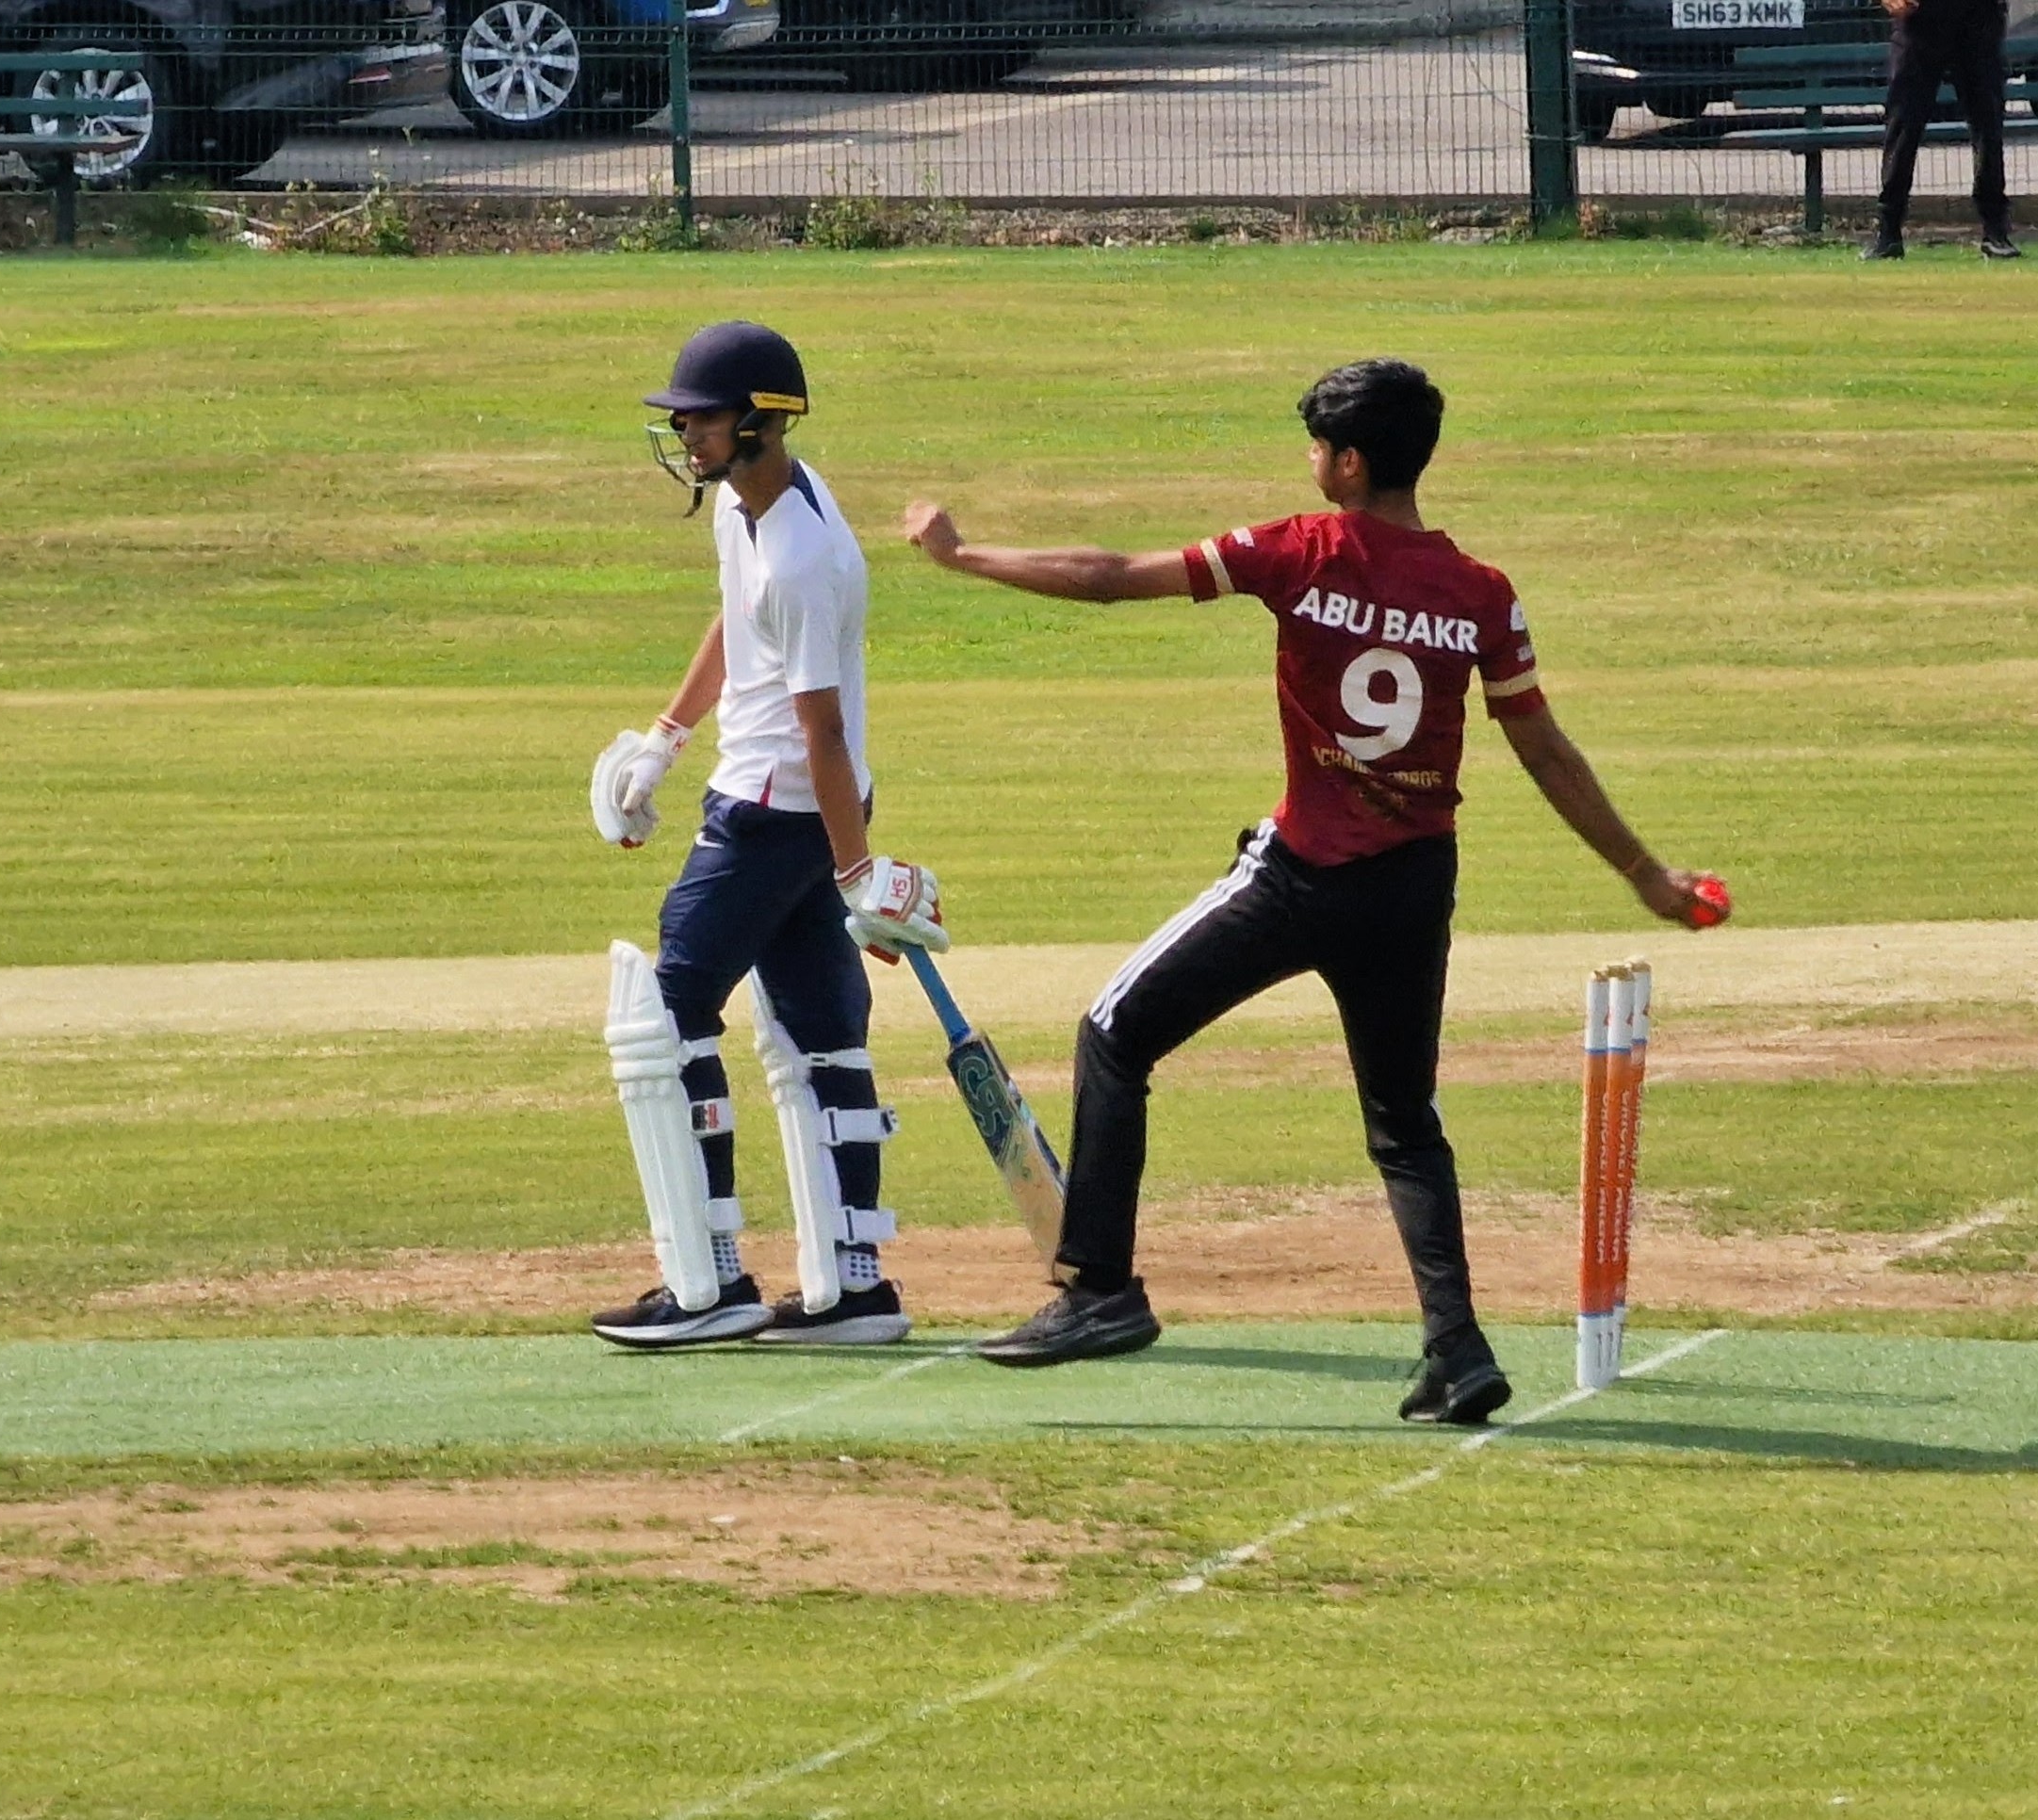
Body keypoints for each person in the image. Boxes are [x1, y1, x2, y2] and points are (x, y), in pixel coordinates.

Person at [902, 359, 1724, 1424]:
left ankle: (1099, 1290)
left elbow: (1109, 575)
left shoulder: (1298, 550)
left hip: (1299, 877)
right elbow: (1547, 754)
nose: (1310, 463)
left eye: (1318, 447)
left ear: (1349, 461)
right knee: (1404, 1122)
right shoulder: (1481, 594)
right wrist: (1646, 875)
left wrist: (964, 555)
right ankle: (1459, 1350)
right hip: (1414, 886)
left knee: (1114, 1032)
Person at [587, 320, 949, 1351]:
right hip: (798, 812)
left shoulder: (798, 554)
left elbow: (821, 728)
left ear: (756, 420)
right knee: (815, 1032)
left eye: (697, 418)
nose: (683, 433)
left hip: (767, 817)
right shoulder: (759, 506)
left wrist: (857, 875)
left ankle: (706, 1286)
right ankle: (854, 1289)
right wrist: (664, 736)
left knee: (666, 1016)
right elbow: (734, 624)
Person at [1864, 0, 2019, 260]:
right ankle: (1888, 231)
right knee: (1903, 121)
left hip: (1978, 16)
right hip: (1920, 18)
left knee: (1988, 121)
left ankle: (1996, 231)